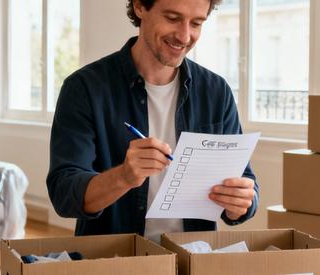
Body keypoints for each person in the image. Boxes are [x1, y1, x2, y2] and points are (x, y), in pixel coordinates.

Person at [47, 0, 258, 241]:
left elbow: (246, 183)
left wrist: (240, 203)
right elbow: (64, 194)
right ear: (139, 7)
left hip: (192, 256)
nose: (184, 36)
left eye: (196, 23)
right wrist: (124, 177)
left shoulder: (217, 92)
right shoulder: (84, 89)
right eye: (172, 18)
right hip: (114, 259)